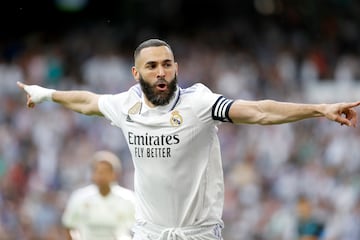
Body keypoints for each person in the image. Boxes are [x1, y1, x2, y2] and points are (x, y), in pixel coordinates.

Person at [17, 38, 360, 240]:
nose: (161, 72)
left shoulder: (199, 103)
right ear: (136, 74)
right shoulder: (126, 105)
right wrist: (45, 93)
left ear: (177, 68)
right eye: (151, 66)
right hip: (149, 234)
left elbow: (259, 111)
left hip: (198, 235)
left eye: (167, 64)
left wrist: (319, 109)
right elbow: (87, 101)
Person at [61, 150, 136, 240]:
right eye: (98, 171)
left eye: (106, 172)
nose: (101, 176)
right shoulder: (80, 197)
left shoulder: (128, 199)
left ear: (115, 175)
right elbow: (68, 225)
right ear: (92, 174)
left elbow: (137, 229)